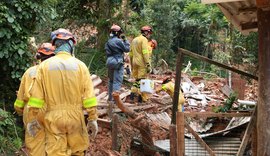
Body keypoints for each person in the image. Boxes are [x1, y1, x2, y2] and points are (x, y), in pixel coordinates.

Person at [27, 28, 98, 156]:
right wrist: (92, 118)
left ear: (55, 45)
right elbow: (89, 97)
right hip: (76, 118)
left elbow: (36, 98)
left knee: (56, 152)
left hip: (53, 118)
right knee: (78, 151)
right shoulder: (81, 66)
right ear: (71, 44)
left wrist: (32, 118)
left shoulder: (44, 66)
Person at [14, 43, 55, 156]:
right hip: (53, 111)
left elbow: (20, 98)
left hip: (32, 112)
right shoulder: (58, 73)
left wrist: (19, 110)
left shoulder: (29, 72)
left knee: (35, 145)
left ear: (38, 56)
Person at [105, 24, 130, 102]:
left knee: (111, 81)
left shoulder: (108, 41)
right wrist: (125, 40)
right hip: (118, 62)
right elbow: (127, 49)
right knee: (117, 81)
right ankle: (115, 101)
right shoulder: (119, 41)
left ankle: (110, 99)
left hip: (110, 61)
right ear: (118, 33)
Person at [129, 25, 153, 103]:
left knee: (137, 80)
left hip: (134, 62)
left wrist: (131, 65)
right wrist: (148, 64)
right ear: (146, 32)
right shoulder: (144, 40)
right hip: (141, 62)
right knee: (142, 80)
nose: (149, 35)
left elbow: (131, 54)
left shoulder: (134, 40)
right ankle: (140, 99)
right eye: (149, 33)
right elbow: (145, 53)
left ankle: (132, 96)